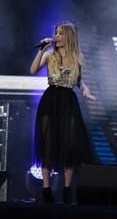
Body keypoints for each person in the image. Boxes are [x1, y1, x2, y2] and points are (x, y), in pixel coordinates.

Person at [30, 21, 96, 204]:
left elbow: (79, 81)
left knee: (70, 145)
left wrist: (85, 91)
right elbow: (33, 70)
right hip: (50, 100)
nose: (57, 36)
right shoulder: (49, 55)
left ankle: (67, 189)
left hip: (68, 101)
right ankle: (46, 188)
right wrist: (41, 50)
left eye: (61, 33)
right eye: (56, 33)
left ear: (69, 36)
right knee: (48, 143)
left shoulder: (78, 58)